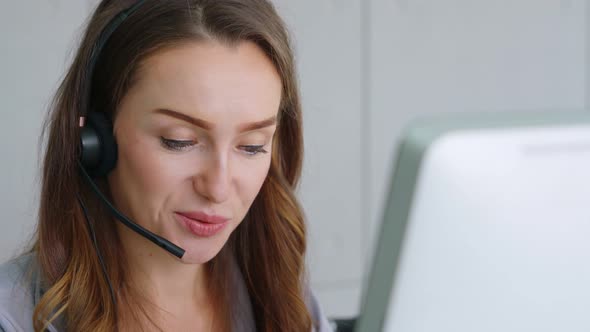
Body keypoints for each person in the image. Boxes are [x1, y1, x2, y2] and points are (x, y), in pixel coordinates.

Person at [0, 0, 333, 331]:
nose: (217, 188)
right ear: (93, 141)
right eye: (179, 141)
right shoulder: (12, 317)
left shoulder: (283, 298)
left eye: (251, 146)